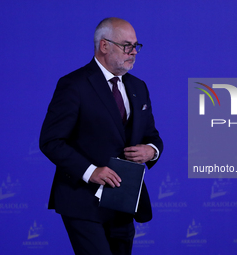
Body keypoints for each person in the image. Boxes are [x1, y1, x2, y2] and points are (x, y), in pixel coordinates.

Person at [39, 17, 163, 255]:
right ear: (104, 46)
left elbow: (152, 136)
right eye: (127, 45)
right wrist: (91, 171)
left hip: (124, 201)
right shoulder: (73, 85)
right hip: (82, 201)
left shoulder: (139, 87)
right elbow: (51, 141)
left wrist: (151, 151)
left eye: (136, 46)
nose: (134, 52)